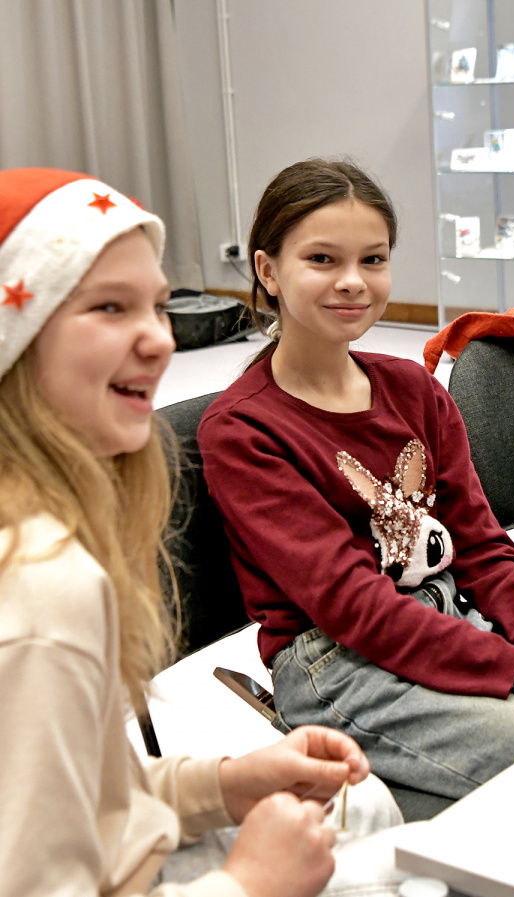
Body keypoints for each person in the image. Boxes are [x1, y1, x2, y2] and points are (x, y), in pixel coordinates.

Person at [198, 159, 514, 806]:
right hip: (337, 662)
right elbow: (357, 608)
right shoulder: (244, 430)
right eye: (323, 259)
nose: (353, 281)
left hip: (442, 622)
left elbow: (485, 554)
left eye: (373, 259)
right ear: (268, 271)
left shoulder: (413, 389)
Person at [0, 168, 374, 897]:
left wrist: (226, 784)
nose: (160, 339)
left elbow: (83, 799)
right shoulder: (44, 590)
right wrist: (250, 881)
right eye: (110, 307)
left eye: (158, 306)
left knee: (371, 812)